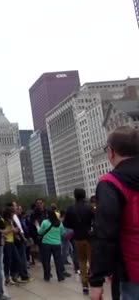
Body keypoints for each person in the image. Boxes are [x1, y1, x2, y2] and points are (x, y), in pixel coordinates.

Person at [90, 126, 139, 300]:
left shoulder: (111, 183)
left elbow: (105, 233)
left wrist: (96, 280)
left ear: (111, 152)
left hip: (133, 270)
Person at [63, 190, 93, 296]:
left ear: (75, 196)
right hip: (89, 238)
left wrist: (76, 226)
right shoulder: (90, 207)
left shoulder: (70, 208)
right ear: (84, 196)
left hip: (77, 238)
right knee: (92, 261)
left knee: (82, 262)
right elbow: (95, 220)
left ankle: (85, 285)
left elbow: (66, 223)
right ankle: (95, 282)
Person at [38, 209, 65, 282]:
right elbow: (62, 233)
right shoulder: (59, 223)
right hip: (57, 244)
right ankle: (60, 276)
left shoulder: (45, 222)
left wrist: (37, 226)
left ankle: (47, 276)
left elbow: (40, 232)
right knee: (58, 261)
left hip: (46, 244)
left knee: (46, 261)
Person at [1, 207, 19, 286]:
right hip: (6, 242)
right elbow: (1, 232)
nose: (13, 215)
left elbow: (12, 230)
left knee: (16, 258)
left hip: (12, 241)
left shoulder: (10, 221)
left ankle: (14, 275)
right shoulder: (2, 220)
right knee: (7, 260)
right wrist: (11, 230)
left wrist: (15, 230)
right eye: (12, 213)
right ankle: (7, 278)